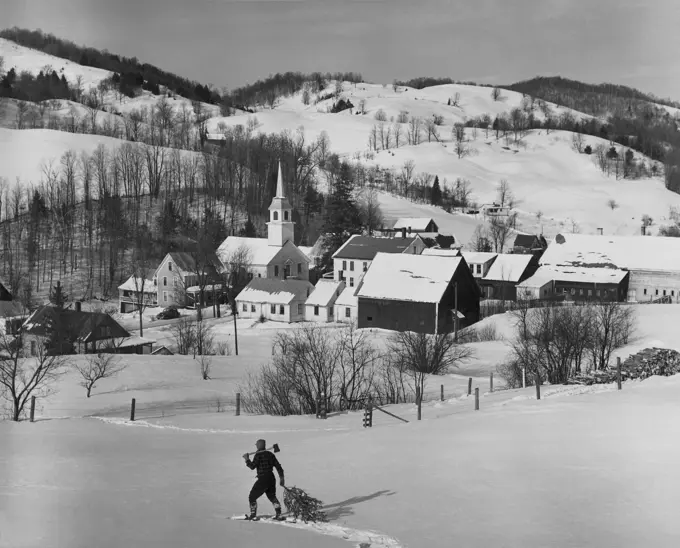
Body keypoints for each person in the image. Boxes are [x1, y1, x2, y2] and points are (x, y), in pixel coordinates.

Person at [242, 439, 285, 520]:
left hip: (263, 479)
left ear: (259, 445)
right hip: (271, 478)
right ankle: (279, 514)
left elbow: (252, 466)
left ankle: (253, 515)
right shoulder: (270, 454)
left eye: (256, 445)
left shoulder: (258, 455)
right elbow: (278, 467)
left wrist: (247, 459)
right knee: (272, 496)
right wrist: (281, 478)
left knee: (252, 497)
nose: (256, 446)